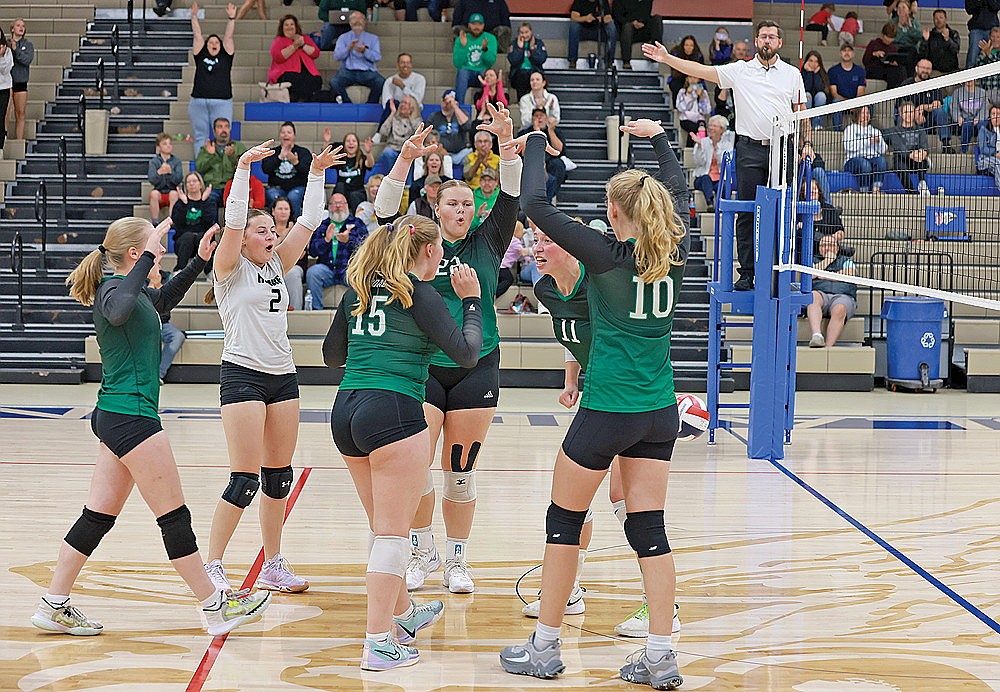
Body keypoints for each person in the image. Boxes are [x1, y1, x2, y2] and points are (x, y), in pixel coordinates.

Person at [498, 117, 688, 690]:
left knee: (563, 522)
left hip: (609, 407)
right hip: (659, 411)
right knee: (649, 529)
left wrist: (535, 141)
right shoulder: (673, 245)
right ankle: (661, 654)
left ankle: (546, 646)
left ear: (616, 214)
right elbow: (678, 188)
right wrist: (658, 140)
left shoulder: (607, 256)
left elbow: (533, 201)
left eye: (610, 207)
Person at [38, 217, 272, 638]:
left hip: (118, 416)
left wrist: (198, 263)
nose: (160, 249)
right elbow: (119, 308)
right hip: (132, 418)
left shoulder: (136, 292)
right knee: (174, 517)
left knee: (96, 516)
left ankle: (54, 603)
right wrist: (148, 254)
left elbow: (158, 302)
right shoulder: (114, 290)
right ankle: (214, 606)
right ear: (135, 253)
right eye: (154, 243)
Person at [322, 214, 484, 670]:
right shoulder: (419, 292)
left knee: (381, 530)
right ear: (429, 251)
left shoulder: (360, 288)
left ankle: (404, 617)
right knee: (393, 536)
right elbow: (467, 354)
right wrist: (472, 303)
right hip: (393, 409)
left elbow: (332, 356)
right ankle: (378, 643)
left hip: (347, 408)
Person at [374, 108, 520, 596]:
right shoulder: (418, 243)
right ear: (436, 210)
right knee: (415, 465)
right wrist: (403, 160)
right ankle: (422, 549)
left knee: (460, 469)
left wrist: (504, 143)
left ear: (476, 210)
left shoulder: (488, 241)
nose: (461, 209)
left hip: (478, 366)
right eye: (451, 204)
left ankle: (457, 559)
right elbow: (385, 215)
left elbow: (513, 196)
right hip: (425, 367)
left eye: (467, 203)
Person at [204, 139, 343, 595]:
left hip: (282, 376)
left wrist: (317, 173)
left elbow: (308, 221)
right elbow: (235, 219)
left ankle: (273, 563)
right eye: (261, 231)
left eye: (270, 232)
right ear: (242, 236)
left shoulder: (277, 266)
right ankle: (214, 565)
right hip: (242, 374)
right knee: (243, 479)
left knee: (277, 478)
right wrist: (243, 169)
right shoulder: (229, 267)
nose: (270, 237)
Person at [643, 20, 806, 291]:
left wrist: (806, 142)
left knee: (783, 211)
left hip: (784, 147)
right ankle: (748, 273)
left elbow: (802, 111)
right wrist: (668, 58)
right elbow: (702, 70)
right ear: (756, 41)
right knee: (746, 210)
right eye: (763, 36)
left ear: (779, 42)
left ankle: (781, 274)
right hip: (750, 148)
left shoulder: (791, 74)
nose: (767, 40)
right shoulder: (740, 70)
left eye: (772, 37)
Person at [306, 192, 369, 310]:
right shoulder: (323, 225)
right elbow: (313, 251)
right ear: (329, 206)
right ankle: (316, 310)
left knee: (360, 275)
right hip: (327, 269)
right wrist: (326, 240)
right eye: (334, 203)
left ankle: (358, 311)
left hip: (349, 269)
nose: (338, 206)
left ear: (347, 205)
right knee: (313, 272)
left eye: (341, 203)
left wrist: (348, 240)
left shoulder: (357, 223)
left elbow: (365, 248)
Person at [188, 2, 236, 151]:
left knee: (222, 136)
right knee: (200, 135)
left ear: (221, 45)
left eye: (216, 42)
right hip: (199, 101)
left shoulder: (226, 55)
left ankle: (222, 168)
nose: (213, 44)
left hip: (222, 101)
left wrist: (231, 18)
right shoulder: (200, 54)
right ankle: (201, 166)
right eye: (210, 42)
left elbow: (228, 36)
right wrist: (194, 17)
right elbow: (197, 36)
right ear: (206, 45)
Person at [807, 235, 857, 348]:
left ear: (837, 248)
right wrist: (827, 261)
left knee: (840, 308)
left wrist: (822, 275)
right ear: (819, 248)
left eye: (831, 245)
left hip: (843, 296)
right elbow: (809, 275)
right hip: (821, 293)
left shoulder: (846, 261)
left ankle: (828, 347)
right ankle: (817, 336)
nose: (827, 248)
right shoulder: (812, 261)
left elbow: (849, 274)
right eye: (823, 245)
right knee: (813, 296)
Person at [330, 12, 385, 105]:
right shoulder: (343, 38)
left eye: (360, 19)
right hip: (348, 71)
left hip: (367, 72)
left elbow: (377, 57)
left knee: (381, 82)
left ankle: (371, 104)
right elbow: (337, 56)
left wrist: (365, 51)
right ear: (350, 22)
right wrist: (349, 48)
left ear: (364, 22)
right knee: (334, 82)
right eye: (354, 19)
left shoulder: (373, 38)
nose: (357, 21)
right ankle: (348, 104)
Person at [517, 106, 567, 203]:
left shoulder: (555, 131)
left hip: (550, 163)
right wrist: (537, 132)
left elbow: (559, 150)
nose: (539, 118)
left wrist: (550, 131)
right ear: (532, 119)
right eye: (536, 116)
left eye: (541, 115)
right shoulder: (524, 132)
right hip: (530, 162)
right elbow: (522, 152)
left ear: (546, 117)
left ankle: (549, 197)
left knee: (559, 164)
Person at [900, 59, 952, 151]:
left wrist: (922, 107)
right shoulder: (906, 84)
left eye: (928, 68)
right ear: (916, 69)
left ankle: (946, 143)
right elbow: (901, 106)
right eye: (923, 68)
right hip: (912, 120)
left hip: (929, 120)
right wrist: (915, 115)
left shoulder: (933, 85)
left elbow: (937, 104)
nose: (926, 71)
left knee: (940, 111)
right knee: (903, 115)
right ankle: (905, 146)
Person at [261, 121, 312, 215]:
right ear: (280, 135)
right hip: (276, 187)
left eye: (289, 132)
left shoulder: (303, 152)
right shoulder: (273, 152)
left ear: (294, 136)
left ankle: (294, 224)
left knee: (293, 197)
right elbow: (265, 169)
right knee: (273, 196)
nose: (286, 135)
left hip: (298, 187)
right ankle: (274, 226)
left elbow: (309, 172)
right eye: (283, 132)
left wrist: (296, 162)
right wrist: (279, 158)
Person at [268, 15, 322, 103]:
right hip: (286, 73)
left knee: (315, 79)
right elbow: (278, 57)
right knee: (294, 79)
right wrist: (294, 46)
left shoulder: (305, 38)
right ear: (282, 28)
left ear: (296, 27)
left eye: (292, 24)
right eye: (286, 25)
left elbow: (315, 53)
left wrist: (303, 45)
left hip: (307, 72)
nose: (289, 27)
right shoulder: (279, 40)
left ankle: (303, 102)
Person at [171, 172, 219, 272]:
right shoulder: (180, 203)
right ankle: (179, 270)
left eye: (194, 181)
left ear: (200, 184)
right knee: (188, 236)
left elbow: (209, 223)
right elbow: (177, 223)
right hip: (184, 243)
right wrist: (184, 204)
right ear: (186, 186)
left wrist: (203, 202)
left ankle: (209, 271)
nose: (192, 184)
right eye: (189, 182)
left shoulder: (209, 202)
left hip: (201, 240)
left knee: (203, 237)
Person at [196, 118, 247, 205]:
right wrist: (211, 155)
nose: (223, 130)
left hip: (232, 186)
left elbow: (245, 168)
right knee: (209, 199)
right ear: (214, 131)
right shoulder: (207, 148)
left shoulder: (239, 147)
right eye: (220, 127)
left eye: (226, 127)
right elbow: (200, 168)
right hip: (212, 186)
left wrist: (232, 156)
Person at [147, 267, 186, 381]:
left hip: (163, 322)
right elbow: (143, 304)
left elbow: (167, 302)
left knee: (178, 336)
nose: (158, 267)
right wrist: (151, 285)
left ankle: (158, 374)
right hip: (144, 323)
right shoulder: (137, 278)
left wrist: (158, 284)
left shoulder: (165, 277)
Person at [270, 197, 307, 310]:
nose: (283, 211)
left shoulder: (297, 229)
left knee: (292, 273)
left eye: (286, 209)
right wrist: (284, 235)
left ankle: (295, 310)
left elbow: (300, 255)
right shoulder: (267, 230)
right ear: (273, 211)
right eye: (280, 208)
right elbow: (268, 252)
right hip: (270, 265)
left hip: (294, 265)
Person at [886, 101, 931, 194]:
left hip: (917, 161)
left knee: (922, 160)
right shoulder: (895, 131)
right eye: (906, 112)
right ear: (901, 114)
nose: (909, 115)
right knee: (900, 164)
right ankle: (911, 193)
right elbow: (899, 147)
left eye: (911, 112)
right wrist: (911, 155)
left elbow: (924, 147)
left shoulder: (920, 130)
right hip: (902, 160)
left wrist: (922, 153)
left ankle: (922, 184)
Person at [692, 114, 734, 212]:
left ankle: (722, 207)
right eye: (710, 126)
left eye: (714, 126)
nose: (711, 128)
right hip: (703, 179)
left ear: (722, 129)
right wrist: (699, 146)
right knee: (705, 178)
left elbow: (724, 162)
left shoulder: (727, 145)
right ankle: (710, 203)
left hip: (719, 178)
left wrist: (716, 148)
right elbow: (698, 162)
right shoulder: (702, 142)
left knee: (724, 184)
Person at [453, 13, 498, 103]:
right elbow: (457, 64)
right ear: (469, 25)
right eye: (474, 24)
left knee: (487, 73)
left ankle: (485, 104)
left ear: (483, 25)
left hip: (482, 72)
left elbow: (490, 63)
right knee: (462, 72)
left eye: (479, 24)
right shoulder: (461, 39)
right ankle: (459, 105)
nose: (476, 27)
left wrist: (485, 49)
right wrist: (463, 47)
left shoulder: (490, 38)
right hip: (466, 73)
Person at [373, 95, 423, 174]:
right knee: (387, 153)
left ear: (412, 107)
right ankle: (392, 177)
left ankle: (407, 184)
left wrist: (410, 117)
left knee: (414, 157)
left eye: (406, 103)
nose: (403, 105)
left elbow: (419, 135)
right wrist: (392, 113)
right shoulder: (394, 118)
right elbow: (383, 132)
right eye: (402, 102)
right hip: (392, 148)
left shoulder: (417, 120)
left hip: (408, 149)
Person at [327, 129, 374, 212]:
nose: (351, 143)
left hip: (357, 192)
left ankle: (357, 221)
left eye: (353, 141)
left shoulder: (361, 158)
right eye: (348, 141)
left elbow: (370, 164)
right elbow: (327, 160)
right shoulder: (340, 158)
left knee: (354, 195)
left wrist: (369, 152)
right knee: (340, 186)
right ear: (344, 144)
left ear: (358, 144)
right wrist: (326, 142)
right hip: (342, 191)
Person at [844, 106, 888, 192]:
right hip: (854, 160)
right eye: (863, 113)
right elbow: (849, 146)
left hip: (872, 158)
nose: (866, 115)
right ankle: (864, 191)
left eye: (867, 113)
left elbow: (883, 150)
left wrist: (879, 142)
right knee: (864, 164)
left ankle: (876, 190)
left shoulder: (875, 131)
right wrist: (868, 141)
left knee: (882, 161)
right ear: (857, 114)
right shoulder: (850, 129)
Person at [613, 0, 663, 70]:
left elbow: (646, 13)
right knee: (627, 26)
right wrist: (632, 22)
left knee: (657, 18)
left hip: (643, 27)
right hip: (626, 29)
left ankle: (655, 54)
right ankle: (626, 61)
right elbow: (617, 16)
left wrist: (641, 22)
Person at [827, 44, 867, 130]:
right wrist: (848, 104)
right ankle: (837, 131)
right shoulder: (833, 71)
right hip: (841, 102)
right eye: (844, 51)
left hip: (856, 102)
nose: (847, 53)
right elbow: (834, 93)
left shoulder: (860, 71)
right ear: (840, 53)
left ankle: (864, 130)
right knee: (836, 101)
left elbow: (861, 92)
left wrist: (854, 104)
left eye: (849, 51)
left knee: (869, 104)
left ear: (853, 54)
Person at [567, 0, 617, 69]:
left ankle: (609, 61)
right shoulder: (579, 1)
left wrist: (602, 19)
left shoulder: (602, 1)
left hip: (599, 31)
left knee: (611, 27)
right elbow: (574, 16)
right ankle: (572, 60)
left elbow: (609, 17)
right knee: (574, 26)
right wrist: (586, 18)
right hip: (583, 31)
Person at [6, 19, 33, 142]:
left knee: (20, 112)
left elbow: (27, 60)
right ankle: (4, 137)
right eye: (18, 25)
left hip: (21, 81)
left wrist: (16, 49)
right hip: (6, 82)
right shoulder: (5, 44)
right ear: (12, 29)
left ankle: (18, 140)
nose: (21, 28)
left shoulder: (28, 45)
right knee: (6, 111)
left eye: (23, 26)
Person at [428, 90, 473, 161]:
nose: (448, 104)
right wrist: (440, 149)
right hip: (440, 153)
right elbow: (428, 136)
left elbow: (467, 126)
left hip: (461, 153)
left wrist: (454, 107)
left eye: (450, 102)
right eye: (445, 102)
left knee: (471, 153)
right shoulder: (434, 117)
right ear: (442, 103)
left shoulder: (463, 113)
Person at [147, 134, 183, 224]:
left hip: (172, 191)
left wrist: (170, 173)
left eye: (170, 143)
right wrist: (159, 173)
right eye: (165, 143)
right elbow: (152, 179)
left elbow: (178, 179)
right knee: (154, 194)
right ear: (159, 147)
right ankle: (155, 222)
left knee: (174, 194)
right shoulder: (154, 161)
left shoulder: (177, 161)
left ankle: (171, 221)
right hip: (159, 191)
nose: (168, 146)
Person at [379, 53, 427, 120]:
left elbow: (417, 100)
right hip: (395, 112)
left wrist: (403, 87)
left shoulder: (420, 79)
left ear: (411, 65)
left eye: (408, 62)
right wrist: (399, 111)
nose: (405, 65)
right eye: (402, 62)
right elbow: (386, 103)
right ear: (397, 65)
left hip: (412, 111)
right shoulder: (390, 81)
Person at [507, 22, 547, 100]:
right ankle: (522, 101)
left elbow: (541, 59)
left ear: (531, 31)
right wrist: (520, 49)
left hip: (535, 71)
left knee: (535, 77)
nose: (524, 35)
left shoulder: (538, 43)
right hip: (518, 74)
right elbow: (513, 61)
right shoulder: (514, 44)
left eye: (526, 32)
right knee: (522, 76)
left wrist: (533, 50)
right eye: (522, 33)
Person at [863, 23, 907, 89]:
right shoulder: (874, 43)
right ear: (882, 35)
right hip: (874, 69)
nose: (888, 42)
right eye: (886, 39)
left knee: (899, 70)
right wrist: (874, 54)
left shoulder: (893, 48)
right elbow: (865, 60)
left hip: (887, 69)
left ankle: (897, 93)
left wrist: (894, 62)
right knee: (892, 72)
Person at [951, 79, 989, 153]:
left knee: (982, 126)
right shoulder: (957, 92)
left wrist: (978, 118)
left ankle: (983, 151)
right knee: (967, 125)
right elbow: (954, 108)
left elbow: (985, 109)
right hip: (965, 120)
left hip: (980, 119)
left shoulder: (983, 93)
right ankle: (964, 150)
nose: (969, 80)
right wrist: (958, 117)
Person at [920, 9, 961, 74]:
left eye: (941, 18)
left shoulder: (953, 34)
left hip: (951, 70)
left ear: (945, 19)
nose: (938, 20)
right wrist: (925, 41)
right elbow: (922, 55)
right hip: (934, 71)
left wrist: (948, 39)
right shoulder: (929, 35)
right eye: (936, 18)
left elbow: (956, 50)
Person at [666, 36, 703, 105]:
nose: (689, 47)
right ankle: (677, 106)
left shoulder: (698, 56)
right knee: (675, 85)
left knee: (699, 87)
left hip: (694, 78)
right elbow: (674, 70)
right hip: (678, 77)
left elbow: (701, 71)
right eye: (686, 45)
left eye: (691, 45)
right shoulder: (676, 54)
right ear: (683, 46)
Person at [675, 76, 711, 147]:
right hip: (686, 119)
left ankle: (702, 148)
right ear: (687, 79)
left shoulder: (704, 93)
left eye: (695, 78)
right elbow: (682, 108)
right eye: (690, 77)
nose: (693, 80)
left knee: (701, 128)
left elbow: (706, 111)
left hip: (699, 119)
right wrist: (689, 95)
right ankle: (689, 150)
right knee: (693, 129)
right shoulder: (682, 92)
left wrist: (701, 97)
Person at [965, 0, 1000, 69]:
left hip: (992, 28)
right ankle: (970, 76)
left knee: (994, 53)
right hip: (976, 28)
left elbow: (996, 6)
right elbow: (969, 9)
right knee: (973, 55)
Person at [801, 51, 830, 129]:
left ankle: (817, 124)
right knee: (807, 95)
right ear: (806, 61)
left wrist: (816, 74)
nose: (813, 64)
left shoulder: (822, 73)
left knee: (821, 96)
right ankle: (807, 124)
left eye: (816, 61)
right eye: (811, 61)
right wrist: (809, 72)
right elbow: (807, 88)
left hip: (818, 100)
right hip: (808, 100)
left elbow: (820, 89)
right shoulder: (801, 73)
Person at [892, 0, 923, 67]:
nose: (901, 10)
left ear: (909, 11)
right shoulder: (892, 22)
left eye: (903, 7)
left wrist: (911, 27)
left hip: (910, 50)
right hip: (896, 49)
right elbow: (892, 39)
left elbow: (917, 39)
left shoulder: (915, 23)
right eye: (899, 8)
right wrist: (899, 26)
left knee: (911, 52)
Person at [974, 26, 1000, 103]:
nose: (995, 39)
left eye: (998, 37)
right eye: (993, 36)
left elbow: (997, 67)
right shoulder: (983, 51)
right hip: (985, 92)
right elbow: (978, 68)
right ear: (989, 37)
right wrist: (985, 53)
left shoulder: (986, 51)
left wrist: (988, 53)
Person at [977, 104, 1000, 189]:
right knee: (997, 163)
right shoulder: (984, 130)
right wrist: (995, 154)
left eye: (998, 114)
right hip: (985, 160)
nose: (995, 116)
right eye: (993, 114)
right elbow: (983, 149)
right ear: (990, 116)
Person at [0, 28, 11, 150]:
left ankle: (0, 147)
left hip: (3, 88)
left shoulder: (7, 51)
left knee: (1, 117)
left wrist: (1, 56)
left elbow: (5, 70)